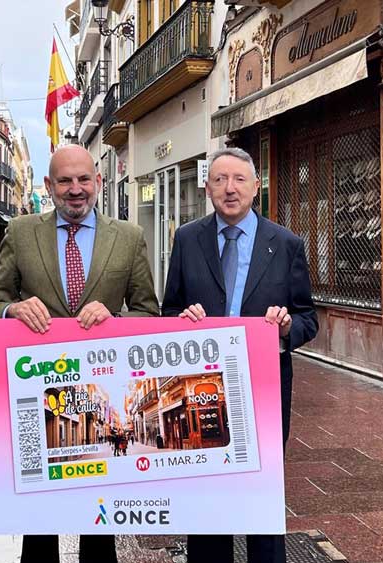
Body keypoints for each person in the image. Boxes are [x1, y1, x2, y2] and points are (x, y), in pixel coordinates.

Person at [0, 144, 159, 563]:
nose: (75, 189)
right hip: (35, 393)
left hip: (100, 392)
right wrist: (13, 309)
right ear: (49, 186)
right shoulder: (22, 232)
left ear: (98, 182)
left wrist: (115, 320)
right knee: (38, 520)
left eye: (84, 179)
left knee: (98, 520)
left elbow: (148, 313)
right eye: (65, 180)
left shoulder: (130, 237)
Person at [162, 147, 318, 563]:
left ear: (256, 186)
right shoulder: (187, 239)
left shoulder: (286, 244)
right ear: (208, 186)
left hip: (262, 389)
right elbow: (167, 309)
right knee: (208, 495)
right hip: (201, 390)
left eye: (239, 180)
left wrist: (286, 329)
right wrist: (182, 319)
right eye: (219, 180)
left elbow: (308, 318)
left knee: (261, 498)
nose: (229, 189)